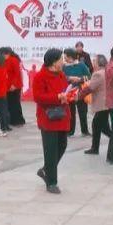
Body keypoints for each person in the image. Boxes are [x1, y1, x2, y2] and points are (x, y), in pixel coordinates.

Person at [33, 48, 71, 194]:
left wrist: (69, 95)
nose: (63, 62)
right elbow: (38, 97)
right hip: (48, 118)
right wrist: (57, 97)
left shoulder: (61, 74)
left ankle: (45, 170)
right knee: (50, 151)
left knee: (62, 145)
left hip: (61, 116)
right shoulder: (40, 76)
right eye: (61, 59)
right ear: (54, 62)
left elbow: (65, 90)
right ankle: (51, 182)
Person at [81, 55, 112, 156]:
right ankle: (95, 148)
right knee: (99, 126)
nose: (93, 63)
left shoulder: (98, 74)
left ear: (99, 63)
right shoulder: (107, 72)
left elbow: (90, 88)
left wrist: (78, 95)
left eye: (94, 61)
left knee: (100, 127)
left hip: (101, 104)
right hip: (107, 103)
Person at [63, 48, 91, 136]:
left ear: (70, 57)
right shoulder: (64, 66)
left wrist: (80, 79)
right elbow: (61, 77)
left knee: (83, 112)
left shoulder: (81, 65)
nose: (64, 58)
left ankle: (85, 131)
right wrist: (69, 78)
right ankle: (70, 131)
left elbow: (89, 76)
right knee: (71, 113)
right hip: (69, 92)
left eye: (65, 56)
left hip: (81, 92)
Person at [3, 47, 27, 126]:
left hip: (14, 86)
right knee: (10, 104)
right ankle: (12, 120)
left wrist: (14, 84)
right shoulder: (6, 61)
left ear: (7, 53)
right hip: (8, 86)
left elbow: (17, 73)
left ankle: (18, 121)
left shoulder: (13, 60)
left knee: (15, 104)